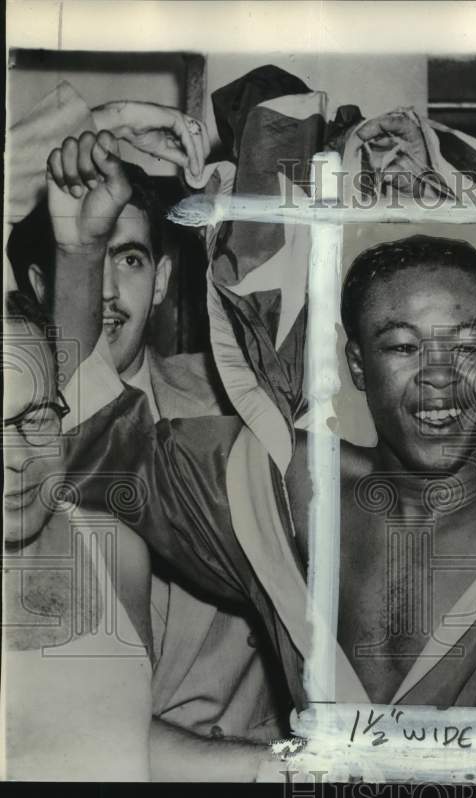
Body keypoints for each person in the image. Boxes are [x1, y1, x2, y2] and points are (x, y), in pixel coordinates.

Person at [32, 129, 282, 781]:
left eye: (133, 260)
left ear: (165, 276)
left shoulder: (236, 395)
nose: (111, 292)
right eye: (97, 262)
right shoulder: (23, 440)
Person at [2, 288, 153, 781]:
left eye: (38, 417)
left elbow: (124, 737)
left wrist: (272, 761)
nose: (21, 457)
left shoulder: (119, 552)